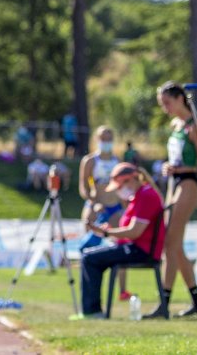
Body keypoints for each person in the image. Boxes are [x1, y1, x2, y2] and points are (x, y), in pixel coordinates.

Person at [145, 82, 197, 319]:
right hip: (175, 183)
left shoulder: (194, 126)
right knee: (175, 246)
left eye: (167, 102)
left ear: (180, 99)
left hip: (189, 184)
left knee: (170, 243)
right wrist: (168, 167)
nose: (165, 108)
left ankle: (164, 301)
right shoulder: (176, 125)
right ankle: (196, 302)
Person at [78, 163, 165, 319]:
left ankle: (92, 311)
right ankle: (92, 309)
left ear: (130, 180)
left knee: (89, 258)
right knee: (91, 256)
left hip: (141, 251)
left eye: (119, 186)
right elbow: (129, 230)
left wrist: (106, 232)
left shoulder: (146, 195)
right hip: (134, 247)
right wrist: (108, 232)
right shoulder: (138, 196)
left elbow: (134, 232)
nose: (119, 191)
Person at [78, 126, 129, 299]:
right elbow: (84, 186)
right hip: (96, 207)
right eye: (102, 138)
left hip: (115, 207)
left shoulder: (118, 161)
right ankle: (89, 290)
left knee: (120, 245)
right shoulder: (90, 161)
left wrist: (124, 206)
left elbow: (125, 186)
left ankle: (122, 290)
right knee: (89, 249)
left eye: (109, 138)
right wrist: (93, 202)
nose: (106, 142)